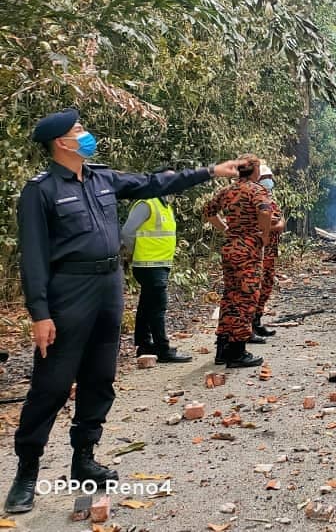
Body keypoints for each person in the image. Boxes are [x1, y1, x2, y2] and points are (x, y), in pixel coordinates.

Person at [6, 108, 245, 515]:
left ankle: (84, 458)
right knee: (53, 382)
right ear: (61, 143)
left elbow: (154, 183)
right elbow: (33, 256)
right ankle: (27, 472)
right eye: (78, 130)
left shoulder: (102, 177)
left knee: (100, 375)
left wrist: (209, 172)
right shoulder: (41, 190)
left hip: (108, 285)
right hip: (68, 290)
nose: (86, 134)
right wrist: (40, 313)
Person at [202, 156, 273, 369]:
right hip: (248, 248)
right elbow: (265, 211)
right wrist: (264, 233)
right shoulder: (256, 190)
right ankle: (238, 351)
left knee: (230, 296)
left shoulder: (227, 191)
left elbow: (208, 211)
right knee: (247, 298)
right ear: (255, 170)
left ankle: (222, 347)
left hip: (230, 247)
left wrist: (225, 228)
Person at [120, 171, 191, 363]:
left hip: (159, 264)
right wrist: (135, 251)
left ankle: (144, 345)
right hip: (148, 264)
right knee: (158, 307)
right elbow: (126, 231)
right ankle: (163, 349)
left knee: (147, 305)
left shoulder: (164, 204)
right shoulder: (147, 202)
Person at [253, 164, 284, 338]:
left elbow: (280, 222)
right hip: (258, 250)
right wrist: (274, 226)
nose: (269, 182)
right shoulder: (255, 199)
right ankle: (249, 325)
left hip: (271, 251)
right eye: (266, 178)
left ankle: (257, 320)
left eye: (270, 178)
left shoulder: (270, 199)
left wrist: (276, 225)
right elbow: (261, 223)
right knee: (255, 287)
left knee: (266, 285)